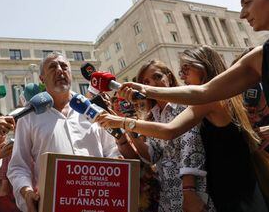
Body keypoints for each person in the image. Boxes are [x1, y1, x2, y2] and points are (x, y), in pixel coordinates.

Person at [97, 46, 268, 212]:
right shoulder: (209, 100)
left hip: (234, 191)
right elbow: (154, 152)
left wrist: (123, 121)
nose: (183, 75)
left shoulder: (210, 100)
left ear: (204, 65)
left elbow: (171, 131)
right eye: (181, 71)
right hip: (221, 189)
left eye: (187, 69)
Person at [116, 0, 269, 107]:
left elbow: (171, 129)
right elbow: (204, 92)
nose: (242, 14)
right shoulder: (260, 56)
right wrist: (144, 89)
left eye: (248, 2)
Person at [7, 52, 120, 212]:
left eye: (64, 66)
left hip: (98, 203)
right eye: (52, 67)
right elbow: (19, 166)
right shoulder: (29, 116)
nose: (60, 70)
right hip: (53, 205)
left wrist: (118, 166)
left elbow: (112, 151)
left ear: (71, 74)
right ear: (42, 79)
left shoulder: (92, 109)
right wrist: (27, 192)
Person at [130, 60, 213, 212]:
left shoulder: (185, 104)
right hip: (168, 194)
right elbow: (152, 156)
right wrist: (129, 127)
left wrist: (189, 192)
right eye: (146, 82)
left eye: (157, 77)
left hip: (193, 190)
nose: (152, 83)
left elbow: (191, 147)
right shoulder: (152, 116)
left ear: (168, 76)